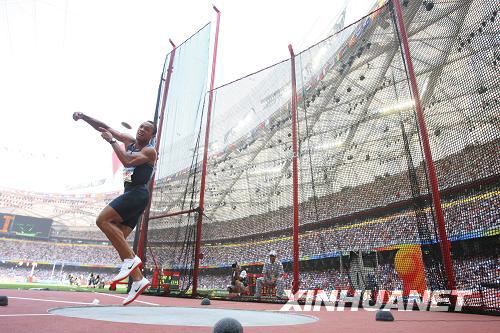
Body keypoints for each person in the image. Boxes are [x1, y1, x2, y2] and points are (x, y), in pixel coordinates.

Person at [73, 112, 156, 305]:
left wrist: (112, 142)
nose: (141, 129)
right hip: (133, 195)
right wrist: (85, 117)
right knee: (119, 238)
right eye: (141, 126)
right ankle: (137, 279)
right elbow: (105, 127)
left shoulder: (150, 151)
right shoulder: (130, 141)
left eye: (147, 129)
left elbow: (127, 160)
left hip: (137, 194)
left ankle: (132, 262)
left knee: (102, 220)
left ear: (151, 135)